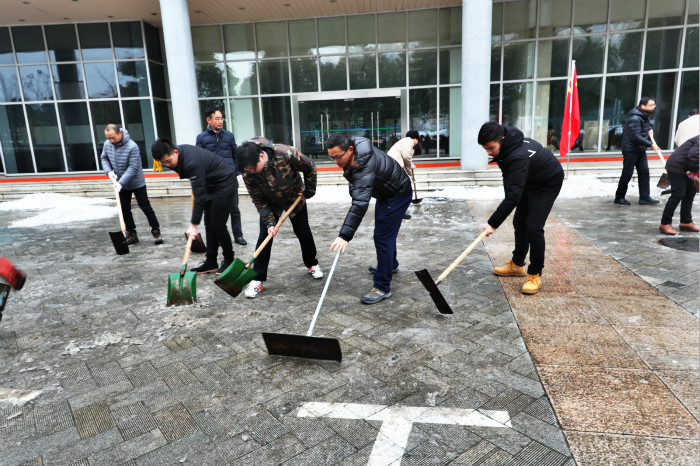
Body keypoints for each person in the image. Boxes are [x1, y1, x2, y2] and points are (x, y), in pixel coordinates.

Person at [478, 121, 564, 295]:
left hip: (548, 182)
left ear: (501, 139)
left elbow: (513, 196)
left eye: (491, 148)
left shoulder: (516, 156)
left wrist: (493, 223)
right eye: (485, 148)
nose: (488, 152)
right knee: (520, 221)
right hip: (529, 179)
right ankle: (517, 265)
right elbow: (512, 188)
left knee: (533, 227)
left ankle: (535, 274)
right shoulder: (508, 144)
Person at [326, 133, 412, 305]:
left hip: (397, 194)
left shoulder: (363, 165)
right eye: (331, 158)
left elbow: (359, 204)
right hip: (388, 192)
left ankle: (382, 286)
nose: (336, 162)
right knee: (386, 233)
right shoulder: (356, 151)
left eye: (338, 157)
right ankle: (390, 265)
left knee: (382, 237)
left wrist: (344, 236)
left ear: (350, 150)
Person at [234, 137, 323, 299]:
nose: (251, 171)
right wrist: (269, 222)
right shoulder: (248, 170)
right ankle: (257, 279)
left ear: (261, 157)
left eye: (254, 168)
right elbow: (258, 199)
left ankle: (312, 263)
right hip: (270, 203)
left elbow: (310, 166)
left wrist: (308, 192)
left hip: (294, 197)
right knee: (264, 237)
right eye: (248, 170)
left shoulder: (286, 153)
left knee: (303, 232)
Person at [151, 138, 237, 275]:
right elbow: (199, 190)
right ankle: (211, 261)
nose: (169, 165)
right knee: (209, 223)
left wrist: (194, 224)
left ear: (175, 152)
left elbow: (199, 196)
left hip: (224, 183)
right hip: (210, 184)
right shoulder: (181, 156)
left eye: (169, 161)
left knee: (218, 224)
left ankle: (229, 259)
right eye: (164, 163)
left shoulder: (191, 162)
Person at [101, 124, 162, 245]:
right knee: (124, 209)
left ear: (120, 133)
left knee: (146, 207)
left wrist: (121, 183)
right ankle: (131, 234)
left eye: (112, 137)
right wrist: (109, 171)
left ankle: (156, 231)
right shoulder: (107, 144)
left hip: (136, 182)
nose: (110, 140)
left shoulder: (132, 146)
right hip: (119, 183)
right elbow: (104, 158)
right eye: (108, 138)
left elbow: (133, 167)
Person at [196, 107, 247, 246]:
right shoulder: (201, 138)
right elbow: (199, 160)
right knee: (216, 211)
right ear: (209, 120)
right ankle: (218, 237)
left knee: (234, 209)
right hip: (212, 181)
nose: (220, 121)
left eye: (221, 118)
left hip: (229, 179)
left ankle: (238, 235)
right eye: (217, 118)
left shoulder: (229, 136)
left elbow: (235, 154)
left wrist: (238, 172)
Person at [614, 97, 660, 205]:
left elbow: (645, 126)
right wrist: (651, 144)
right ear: (643, 106)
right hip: (630, 149)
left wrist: (649, 129)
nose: (653, 107)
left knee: (644, 172)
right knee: (627, 173)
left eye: (654, 105)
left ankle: (644, 197)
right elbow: (635, 136)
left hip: (640, 149)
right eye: (651, 105)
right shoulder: (635, 118)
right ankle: (619, 197)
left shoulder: (644, 116)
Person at [659, 136, 699, 235]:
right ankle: (665, 224)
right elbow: (694, 155)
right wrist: (694, 171)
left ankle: (686, 222)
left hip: (687, 167)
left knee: (690, 192)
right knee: (678, 194)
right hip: (677, 166)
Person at [387, 130, 420, 220]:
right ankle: (399, 212)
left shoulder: (403, 142)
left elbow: (406, 164)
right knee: (403, 190)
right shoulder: (408, 141)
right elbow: (406, 158)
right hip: (394, 168)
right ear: (416, 139)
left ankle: (397, 211)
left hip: (393, 167)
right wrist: (411, 164)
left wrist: (412, 177)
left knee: (398, 191)